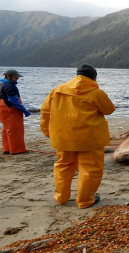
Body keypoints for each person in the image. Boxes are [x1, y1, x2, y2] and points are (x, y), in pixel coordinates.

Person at [40, 64, 116, 209]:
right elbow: (109, 110)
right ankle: (85, 200)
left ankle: (61, 198)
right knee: (90, 169)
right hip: (89, 139)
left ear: (76, 75)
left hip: (63, 137)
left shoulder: (57, 90)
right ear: (94, 77)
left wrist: (47, 131)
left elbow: (45, 111)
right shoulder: (96, 93)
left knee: (63, 166)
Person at [0, 69, 32, 155]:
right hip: (9, 109)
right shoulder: (9, 85)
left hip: (0, 107)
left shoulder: (2, 84)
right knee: (15, 129)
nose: (17, 78)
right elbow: (13, 100)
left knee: (6, 129)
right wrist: (24, 110)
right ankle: (17, 150)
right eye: (16, 77)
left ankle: (7, 148)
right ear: (8, 76)